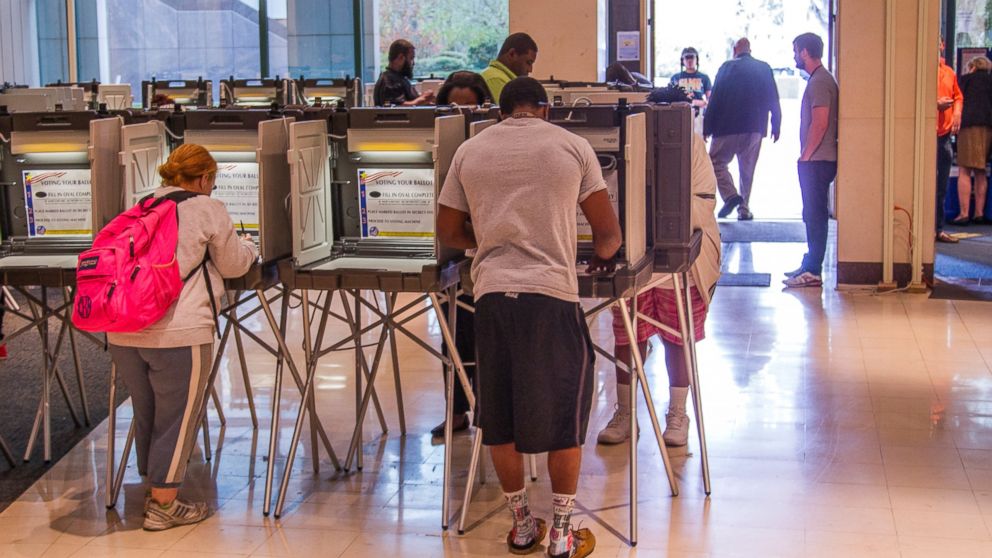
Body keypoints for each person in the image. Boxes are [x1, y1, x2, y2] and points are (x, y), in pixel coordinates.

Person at [437, 77, 621, 558]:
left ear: (500, 112)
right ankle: (561, 534)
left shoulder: (470, 151)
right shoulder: (572, 145)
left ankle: (522, 527)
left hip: (493, 298)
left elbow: (448, 230)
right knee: (564, 414)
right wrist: (596, 255)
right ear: (544, 109)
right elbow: (609, 234)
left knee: (500, 415)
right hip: (551, 298)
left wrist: (495, 240)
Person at [107, 144, 257, 531]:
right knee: (177, 417)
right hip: (179, 331)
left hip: (124, 329)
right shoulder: (207, 207)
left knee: (149, 414)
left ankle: (154, 489)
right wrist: (251, 247)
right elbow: (234, 263)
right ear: (205, 178)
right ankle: (163, 506)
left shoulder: (140, 205)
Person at [598, 85, 722, 447]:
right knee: (626, 337)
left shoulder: (694, 146)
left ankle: (677, 414)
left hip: (677, 260)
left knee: (676, 337)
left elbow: (703, 199)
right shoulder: (629, 140)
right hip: (634, 255)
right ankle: (625, 413)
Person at [431, 70, 489, 438]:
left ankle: (486, 408)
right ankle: (456, 410)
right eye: (453, 107)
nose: (462, 114)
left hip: (482, 253)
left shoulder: (487, 148)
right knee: (451, 335)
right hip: (446, 249)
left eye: (470, 107)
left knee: (484, 335)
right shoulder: (435, 147)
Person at [703, 38, 782, 221]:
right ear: (750, 50)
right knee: (747, 169)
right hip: (754, 127)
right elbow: (773, 98)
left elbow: (715, 99)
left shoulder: (726, 68)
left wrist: (708, 126)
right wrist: (776, 124)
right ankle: (744, 209)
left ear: (734, 50)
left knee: (715, 162)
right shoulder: (763, 68)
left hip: (726, 127)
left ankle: (731, 196)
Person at [784, 33, 838, 289]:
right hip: (817, 159)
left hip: (817, 160)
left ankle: (813, 270)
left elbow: (821, 121)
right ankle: (810, 263)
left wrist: (806, 155)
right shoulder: (820, 80)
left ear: (805, 52)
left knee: (815, 215)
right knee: (812, 213)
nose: (794, 56)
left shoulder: (819, 82)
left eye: (795, 50)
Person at [950, 56, 992, 226]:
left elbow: (958, 100)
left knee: (965, 170)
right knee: (981, 171)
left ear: (973, 67)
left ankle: (964, 213)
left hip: (969, 127)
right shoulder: (991, 81)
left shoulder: (966, 80)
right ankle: (979, 213)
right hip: (988, 128)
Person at [936, 37, 963, 243]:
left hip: (944, 137)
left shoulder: (949, 72)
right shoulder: (923, 72)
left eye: (938, 42)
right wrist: (935, 104)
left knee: (942, 186)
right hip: (926, 137)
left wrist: (956, 113)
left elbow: (958, 97)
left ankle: (938, 229)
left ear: (942, 45)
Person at [372, 39, 436, 107]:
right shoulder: (389, 81)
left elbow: (410, 101)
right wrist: (423, 99)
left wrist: (427, 101)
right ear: (401, 57)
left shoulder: (400, 79)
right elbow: (397, 109)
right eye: (411, 58)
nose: (413, 63)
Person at [480, 33, 539, 102]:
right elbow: (509, 112)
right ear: (512, 54)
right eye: (528, 62)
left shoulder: (505, 79)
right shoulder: (496, 79)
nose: (530, 70)